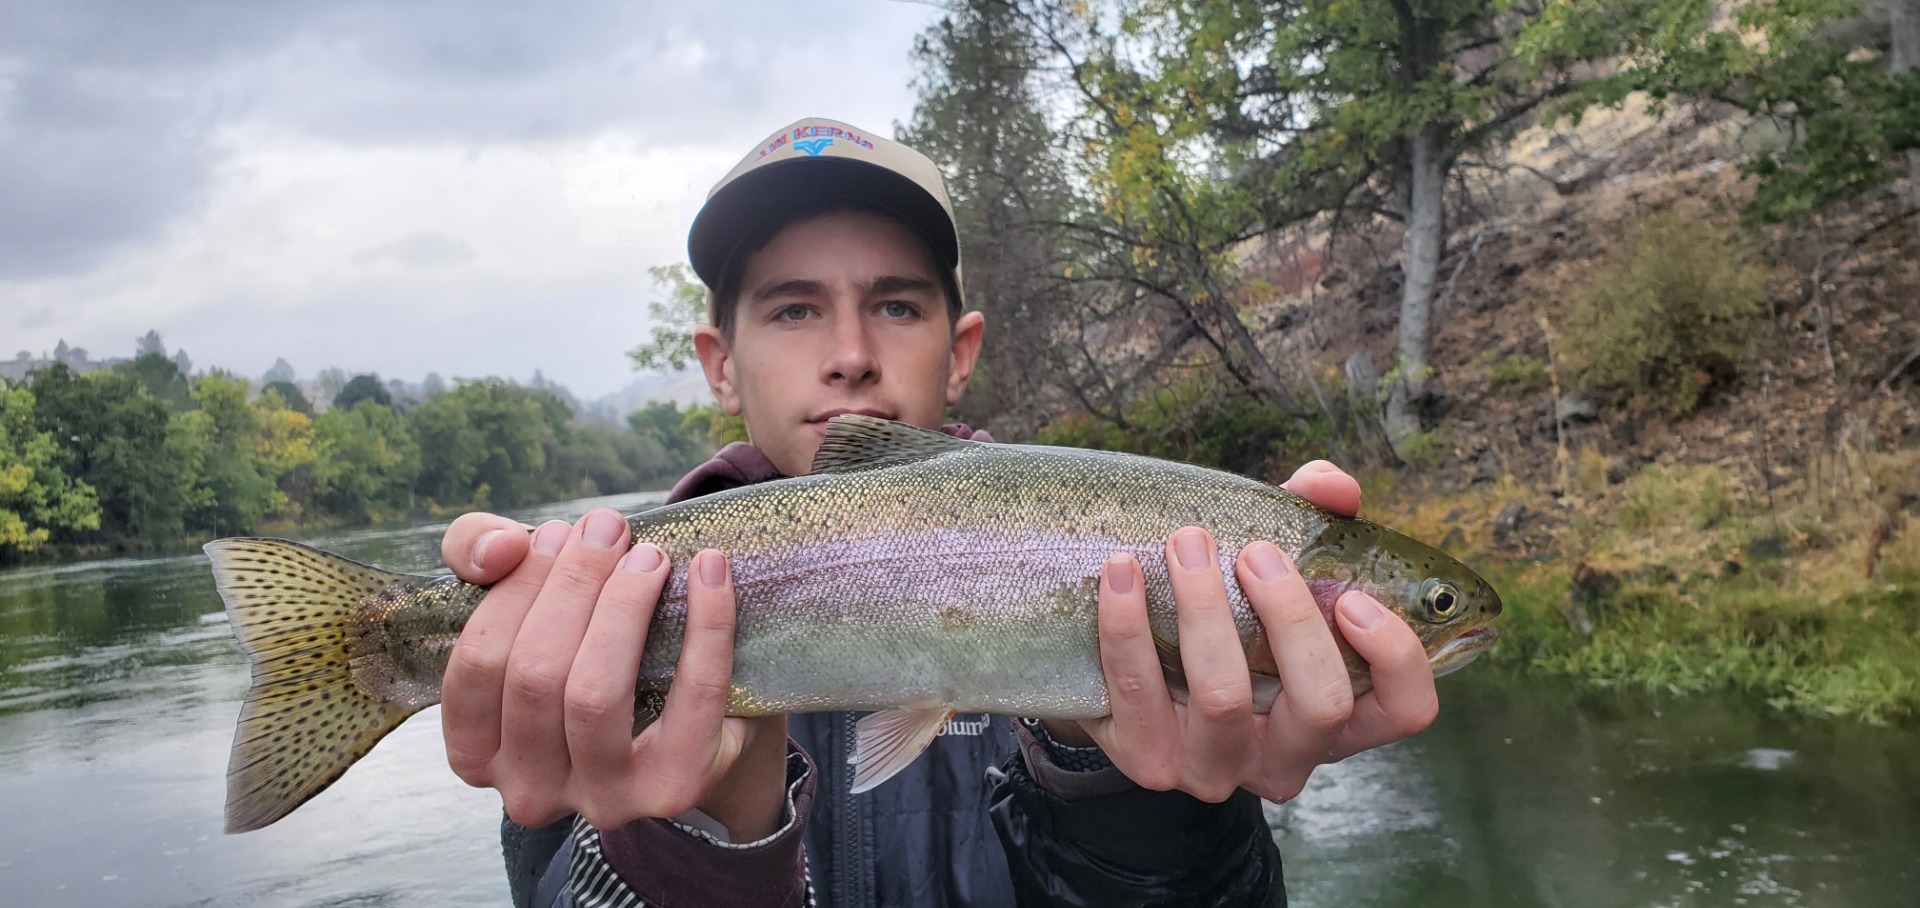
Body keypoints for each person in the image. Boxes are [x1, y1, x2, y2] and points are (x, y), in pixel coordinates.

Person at [437, 118, 1440, 907]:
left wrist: (1148, 793)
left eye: (897, 304)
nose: (851, 353)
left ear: (960, 349)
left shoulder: (1118, 549)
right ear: (719, 362)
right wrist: (702, 843)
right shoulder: (574, 637)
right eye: (793, 307)